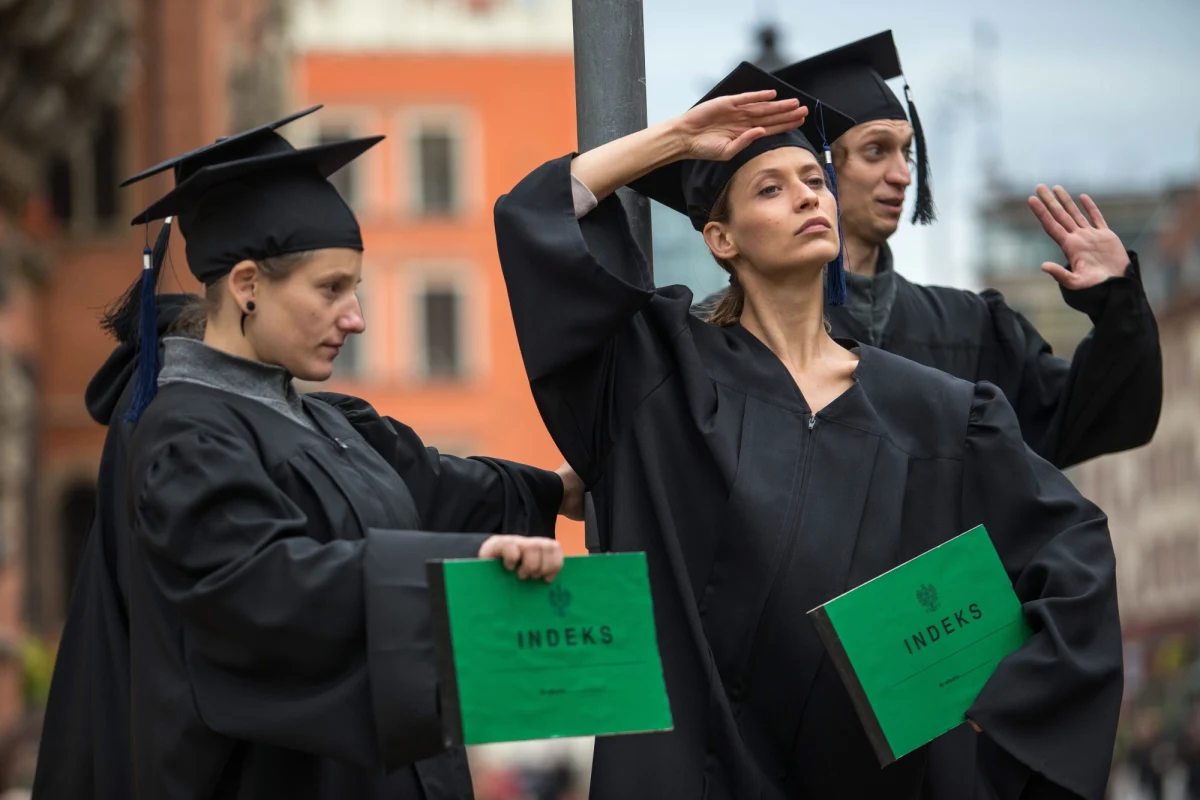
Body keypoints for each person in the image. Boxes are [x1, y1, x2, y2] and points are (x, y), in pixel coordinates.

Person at [494, 62, 1123, 798]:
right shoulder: (660, 382)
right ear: (720, 239)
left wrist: (1006, 701)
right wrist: (676, 139)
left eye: (814, 179)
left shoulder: (943, 414)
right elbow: (541, 216)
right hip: (700, 777)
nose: (806, 194)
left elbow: (1072, 551)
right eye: (771, 187)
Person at [32, 108, 583, 800]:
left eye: (354, 288)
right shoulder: (184, 436)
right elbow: (259, 587)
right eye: (331, 289)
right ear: (248, 286)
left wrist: (557, 490)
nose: (354, 317)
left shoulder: (315, 417)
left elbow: (431, 485)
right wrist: (450, 574)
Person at [695, 30, 1162, 469]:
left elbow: (1086, 420)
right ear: (820, 168)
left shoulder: (968, 326)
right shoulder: (721, 334)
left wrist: (1117, 304)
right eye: (877, 151)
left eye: (908, 153)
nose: (902, 174)